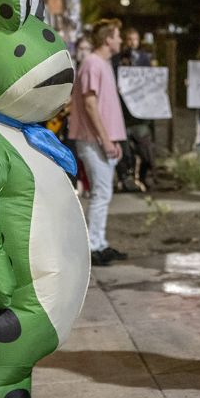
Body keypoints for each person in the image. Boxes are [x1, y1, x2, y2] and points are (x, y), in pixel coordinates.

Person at [67, 18, 128, 267]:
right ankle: (93, 246)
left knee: (103, 192)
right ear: (107, 39)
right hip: (94, 140)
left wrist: (113, 138)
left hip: (101, 139)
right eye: (117, 36)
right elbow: (91, 104)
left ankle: (99, 242)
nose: (120, 40)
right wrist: (105, 139)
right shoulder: (93, 63)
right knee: (101, 193)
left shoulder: (101, 63)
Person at [113, 27, 157, 191]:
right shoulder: (116, 59)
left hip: (140, 116)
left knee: (146, 151)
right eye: (129, 39)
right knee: (124, 153)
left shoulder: (145, 59)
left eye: (135, 40)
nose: (132, 43)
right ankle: (125, 180)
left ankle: (144, 177)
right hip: (122, 116)